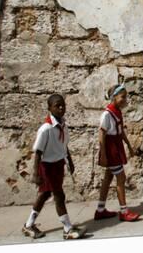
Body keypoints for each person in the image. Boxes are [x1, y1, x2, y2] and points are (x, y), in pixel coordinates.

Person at [22, 94, 86, 240]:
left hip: (58, 165)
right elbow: (38, 152)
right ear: (49, 108)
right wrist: (35, 173)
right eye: (57, 105)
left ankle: (28, 224)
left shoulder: (63, 125)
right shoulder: (45, 129)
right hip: (47, 166)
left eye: (63, 105)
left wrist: (70, 161)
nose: (61, 108)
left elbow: (65, 145)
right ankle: (68, 228)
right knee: (59, 195)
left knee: (45, 194)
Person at [94, 84, 140, 222]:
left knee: (108, 178)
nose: (125, 99)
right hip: (111, 148)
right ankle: (124, 211)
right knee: (121, 178)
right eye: (123, 97)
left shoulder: (117, 112)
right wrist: (103, 154)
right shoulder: (107, 115)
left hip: (117, 145)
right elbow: (101, 134)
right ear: (114, 97)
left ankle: (100, 210)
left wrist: (129, 146)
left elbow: (120, 132)